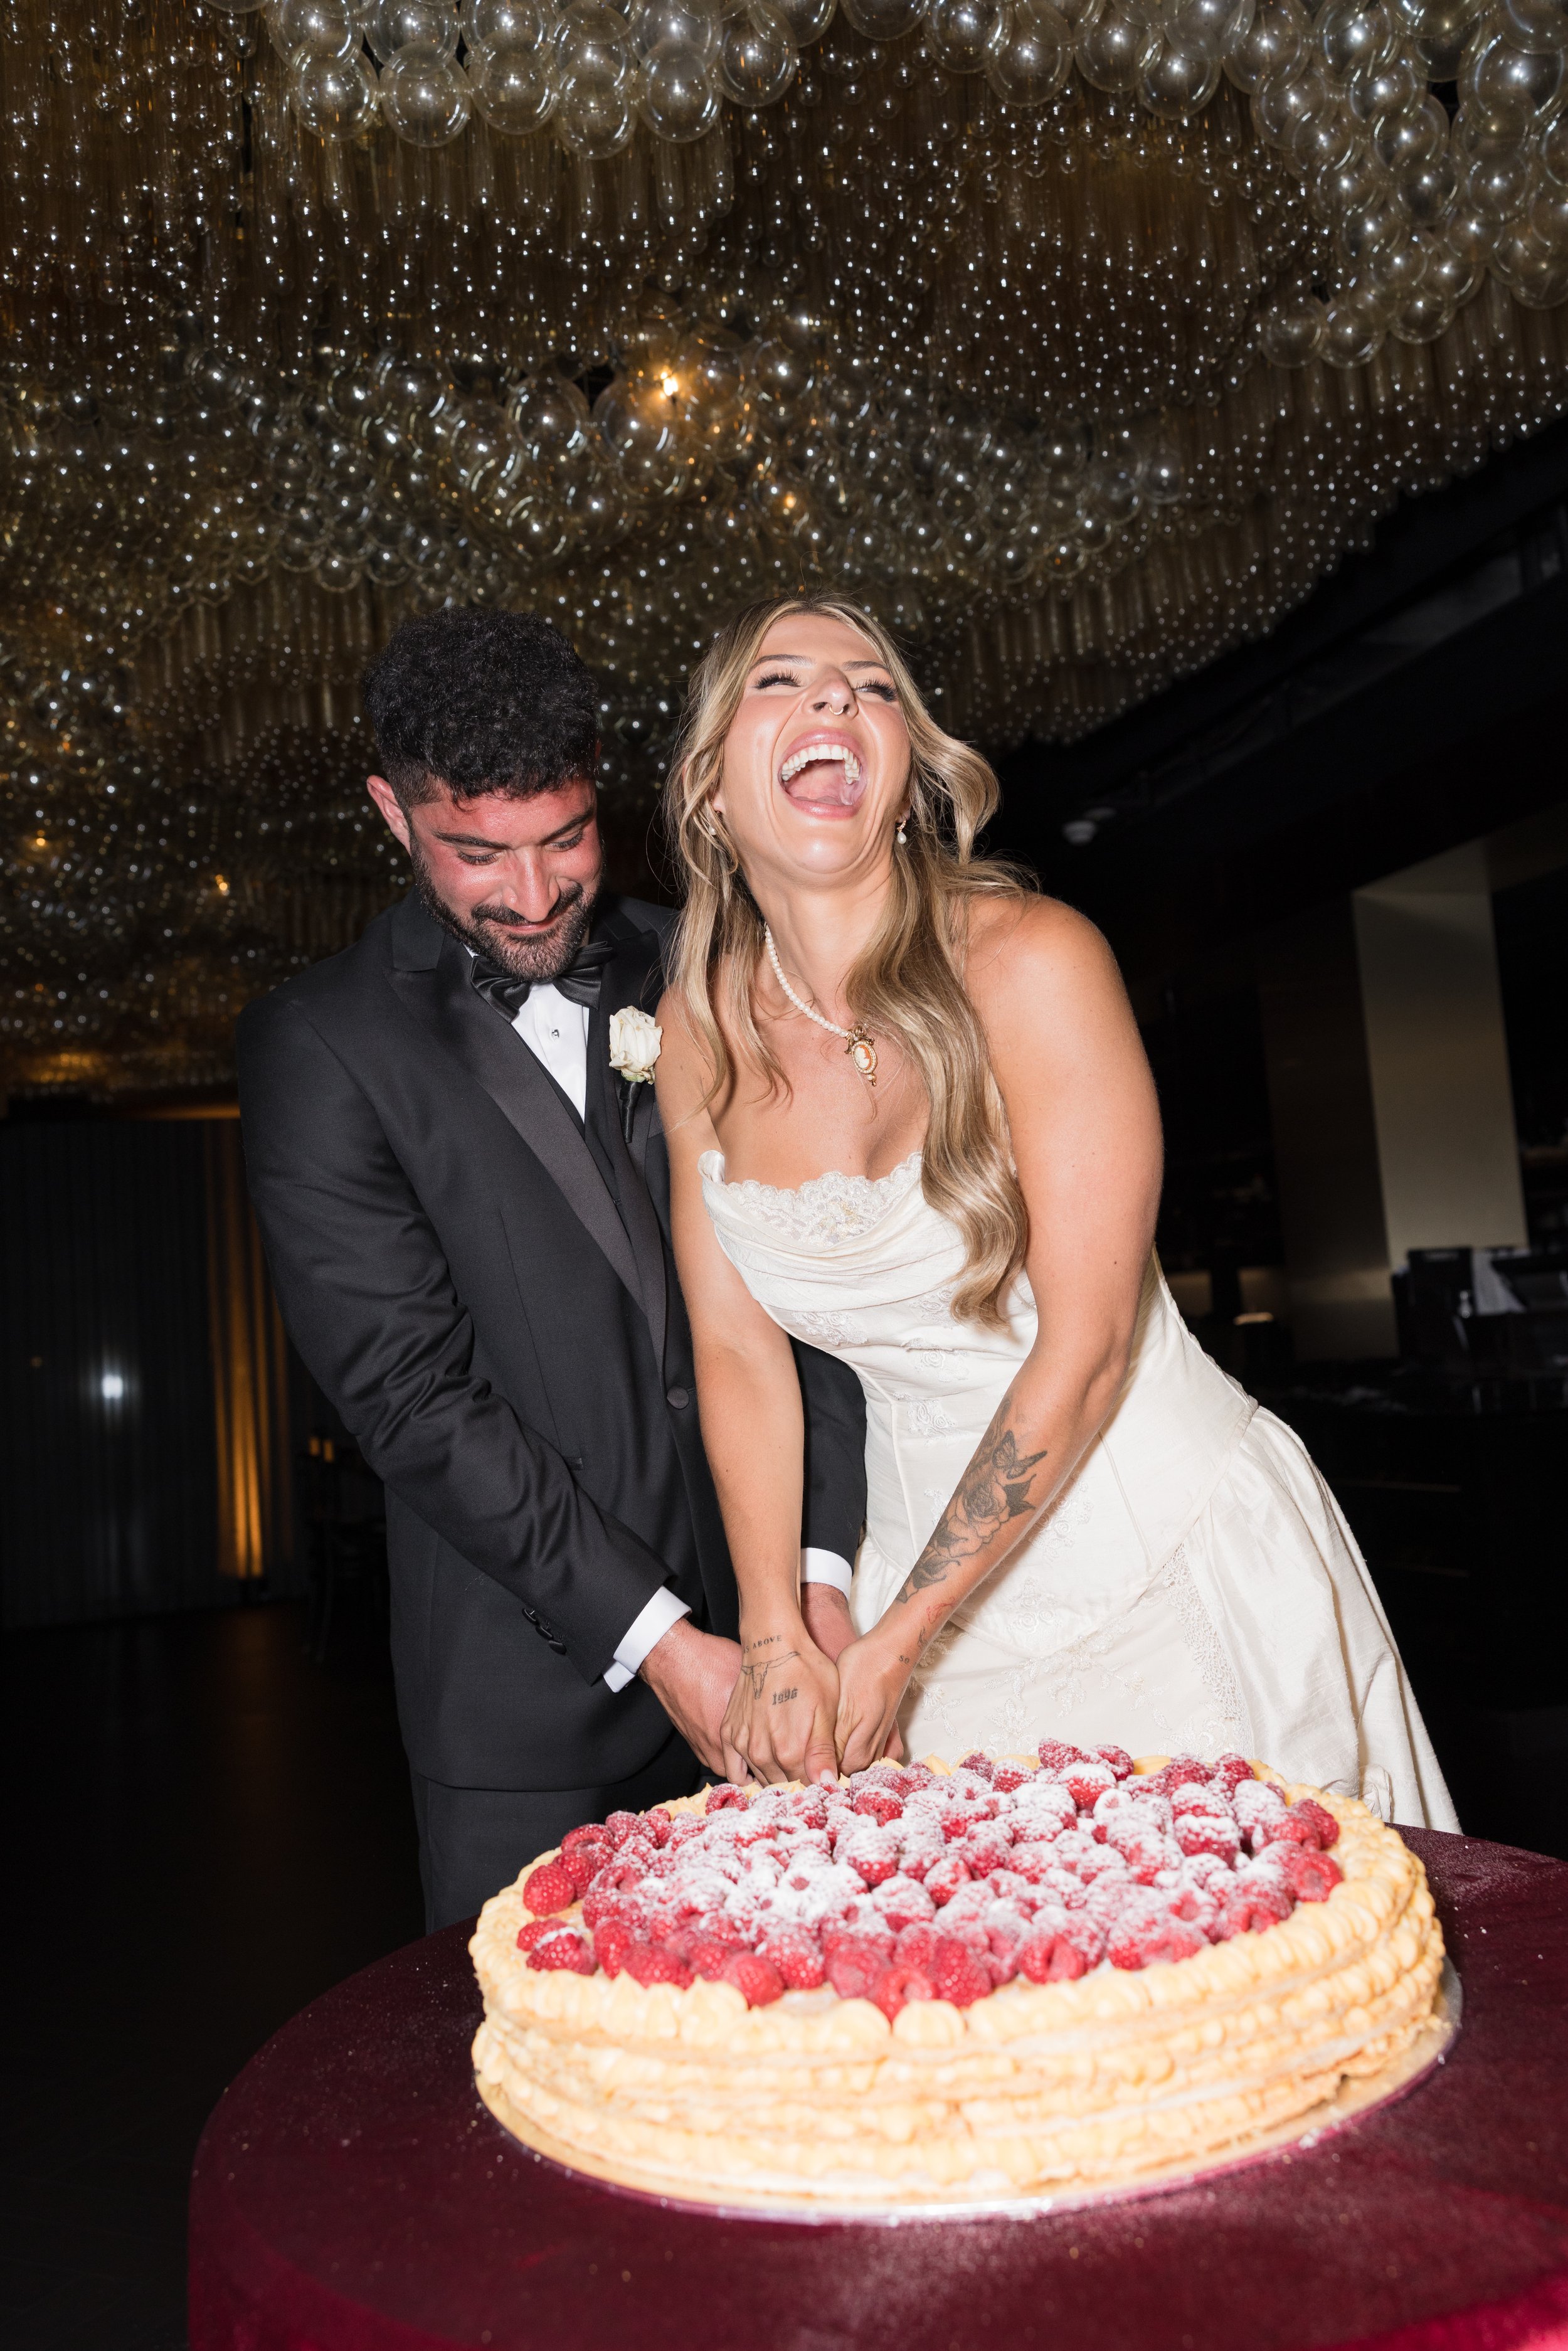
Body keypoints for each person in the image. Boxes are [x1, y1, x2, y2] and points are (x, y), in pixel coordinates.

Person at [654, 591, 1458, 1828]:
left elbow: (1084, 1349)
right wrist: (771, 1626)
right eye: (782, 681)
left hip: (1152, 1549)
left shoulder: (1034, 960)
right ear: (710, 788)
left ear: (909, 776)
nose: (834, 698)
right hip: (899, 1582)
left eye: (871, 686)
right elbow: (733, 1346)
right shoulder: (695, 1034)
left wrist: (903, 1637)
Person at [237, 609, 867, 1931]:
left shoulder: (702, 956)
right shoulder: (320, 1044)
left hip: (792, 1656)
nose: (530, 897)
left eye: (563, 839)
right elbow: (413, 1399)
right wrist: (665, 1644)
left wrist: (816, 1573)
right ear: (391, 813)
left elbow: (820, 1276)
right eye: (475, 852)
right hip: (527, 1715)